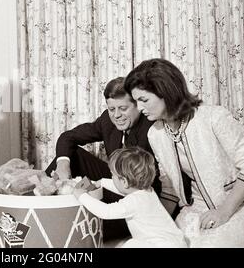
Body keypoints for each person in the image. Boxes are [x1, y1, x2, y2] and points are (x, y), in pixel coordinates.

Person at [124, 58, 244, 247]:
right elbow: (169, 190)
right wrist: (156, 224)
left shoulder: (214, 117)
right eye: (136, 101)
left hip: (241, 206)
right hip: (194, 211)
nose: (139, 108)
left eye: (143, 100)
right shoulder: (155, 134)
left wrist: (223, 212)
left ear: (165, 92)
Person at [45, 77, 161, 240]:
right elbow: (68, 137)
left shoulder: (152, 127)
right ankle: (43, 207)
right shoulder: (108, 119)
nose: (116, 115)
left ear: (138, 105)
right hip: (117, 182)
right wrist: (63, 164)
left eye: (123, 108)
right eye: (111, 109)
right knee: (71, 155)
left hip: (139, 197)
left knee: (89, 229)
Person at [74, 147, 187, 248]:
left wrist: (82, 196)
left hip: (160, 245)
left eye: (113, 175)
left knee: (131, 244)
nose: (112, 177)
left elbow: (106, 211)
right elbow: (124, 188)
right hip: (175, 242)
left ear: (124, 181)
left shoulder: (133, 201)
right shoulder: (147, 191)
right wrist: (102, 182)